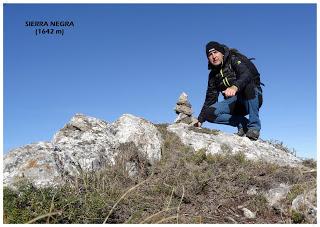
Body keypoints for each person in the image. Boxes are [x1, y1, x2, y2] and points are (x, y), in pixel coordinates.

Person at [194, 41, 263, 140]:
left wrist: (235, 87)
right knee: (209, 113)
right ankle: (243, 123)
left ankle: (254, 127)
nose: (213, 56)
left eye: (215, 52)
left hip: (252, 97)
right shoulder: (213, 75)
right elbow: (210, 99)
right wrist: (200, 120)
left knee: (248, 85)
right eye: (210, 54)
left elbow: (246, 74)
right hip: (235, 104)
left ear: (222, 53)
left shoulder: (233, 59)